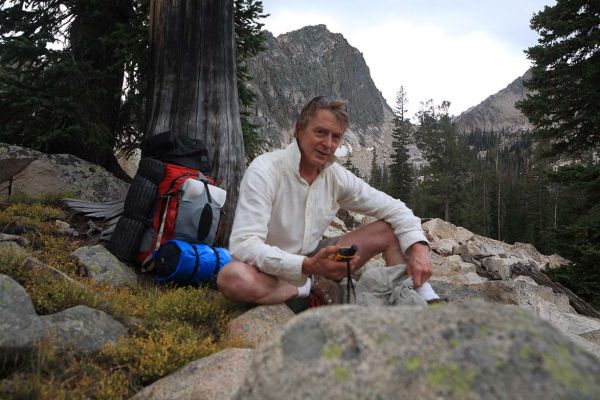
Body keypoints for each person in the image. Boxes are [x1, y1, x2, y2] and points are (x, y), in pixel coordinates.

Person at [217, 96, 438, 306]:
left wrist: (420, 248)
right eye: (320, 132)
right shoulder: (265, 170)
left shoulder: (335, 176)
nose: (328, 144)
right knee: (233, 278)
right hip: (270, 269)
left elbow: (395, 208)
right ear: (298, 129)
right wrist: (307, 267)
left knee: (389, 229)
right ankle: (306, 288)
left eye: (336, 137)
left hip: (315, 258)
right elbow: (244, 244)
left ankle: (421, 298)